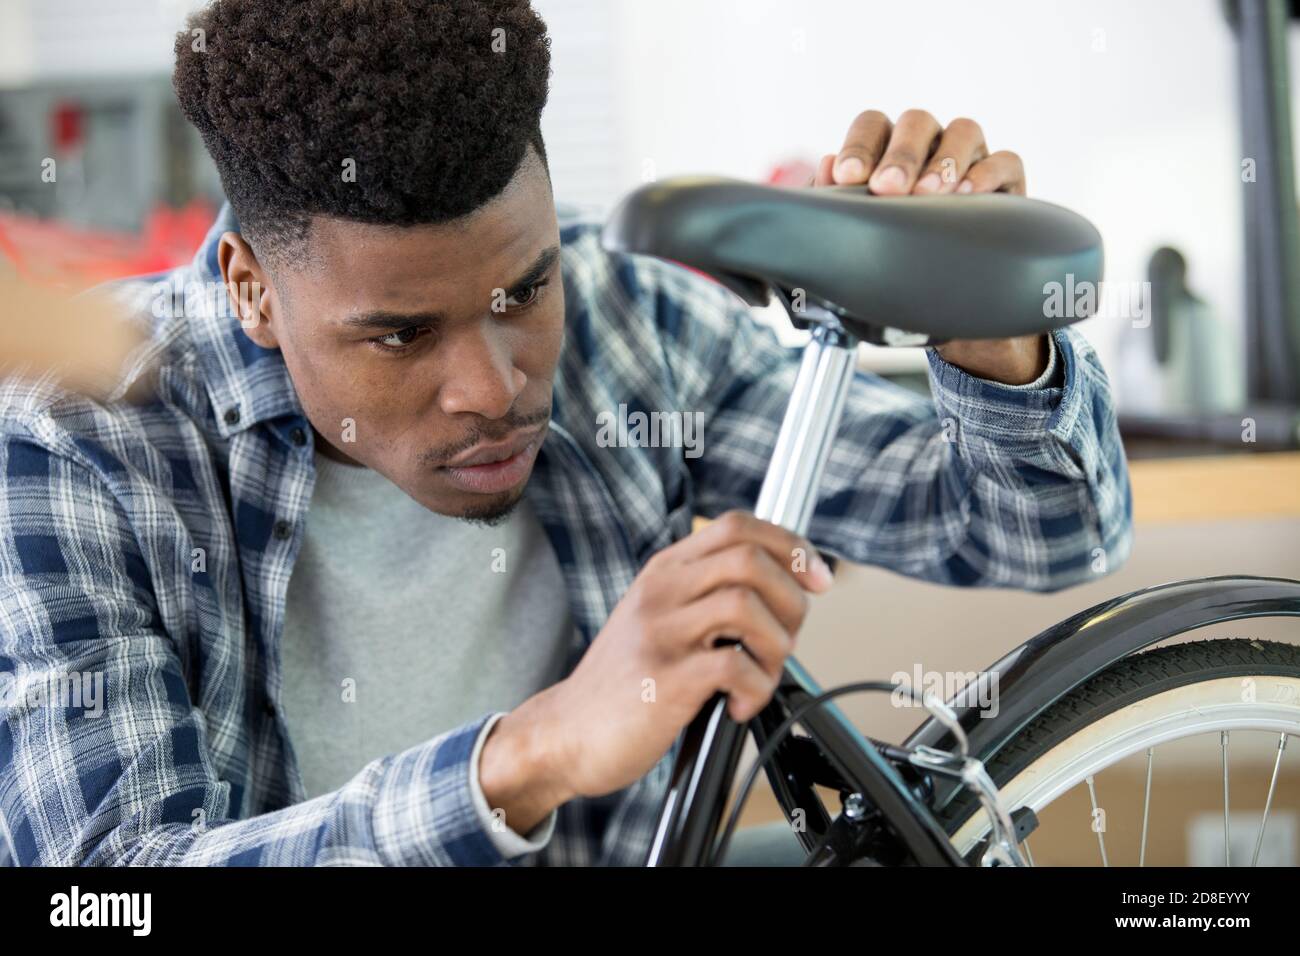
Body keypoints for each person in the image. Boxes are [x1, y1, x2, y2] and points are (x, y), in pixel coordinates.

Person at [0, 0, 1131, 866]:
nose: (492, 388)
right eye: (399, 336)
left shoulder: (627, 325)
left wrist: (991, 335)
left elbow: (1046, 537)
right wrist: (531, 753)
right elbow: (108, 886)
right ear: (253, 289)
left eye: (523, 291)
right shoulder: (78, 437)